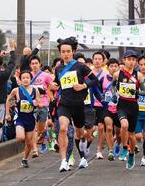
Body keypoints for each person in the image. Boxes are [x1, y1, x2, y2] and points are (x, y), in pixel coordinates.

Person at [50, 37, 99, 172]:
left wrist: (83, 85)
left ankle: (82, 155)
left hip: (78, 104)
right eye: (63, 51)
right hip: (64, 104)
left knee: (80, 134)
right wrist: (53, 86)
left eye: (68, 51)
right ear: (60, 53)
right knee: (63, 129)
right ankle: (64, 160)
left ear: (73, 51)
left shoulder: (80, 66)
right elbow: (57, 83)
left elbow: (95, 81)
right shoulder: (58, 68)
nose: (65, 54)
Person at [114, 50, 145, 170]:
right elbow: (113, 86)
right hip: (122, 104)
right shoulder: (118, 74)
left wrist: (136, 92)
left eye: (133, 60)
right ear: (124, 60)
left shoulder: (139, 76)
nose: (131, 62)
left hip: (133, 106)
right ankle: (124, 147)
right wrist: (113, 94)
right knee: (124, 125)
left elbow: (144, 92)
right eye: (129, 59)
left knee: (132, 135)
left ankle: (131, 154)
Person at [6, 70, 42, 167]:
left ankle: (25, 159)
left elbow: (40, 103)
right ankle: (23, 142)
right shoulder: (16, 90)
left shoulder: (35, 90)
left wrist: (37, 104)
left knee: (29, 143)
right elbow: (8, 100)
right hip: (20, 118)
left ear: (31, 79)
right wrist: (7, 113)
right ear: (20, 80)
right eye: (23, 78)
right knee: (21, 137)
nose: (26, 80)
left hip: (30, 119)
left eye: (27, 78)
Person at [29, 55, 54, 157]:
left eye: (36, 63)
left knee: (41, 129)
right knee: (34, 128)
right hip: (32, 104)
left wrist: (46, 90)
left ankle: (43, 137)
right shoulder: (28, 75)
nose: (34, 65)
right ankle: (35, 150)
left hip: (43, 104)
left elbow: (52, 86)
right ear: (30, 65)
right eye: (32, 64)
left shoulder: (45, 75)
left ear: (40, 64)